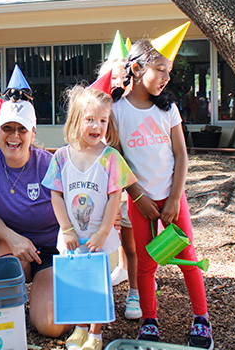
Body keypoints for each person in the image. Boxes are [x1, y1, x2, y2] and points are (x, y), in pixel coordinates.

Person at [112, 34, 213, 349]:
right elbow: (116, 157)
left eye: (169, 71)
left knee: (187, 256)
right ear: (139, 69)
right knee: (145, 262)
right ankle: (149, 319)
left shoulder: (168, 109)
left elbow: (181, 155)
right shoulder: (117, 109)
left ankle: (201, 318)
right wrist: (137, 196)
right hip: (139, 201)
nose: (167, 78)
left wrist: (173, 200)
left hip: (172, 198)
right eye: (161, 70)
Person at [0, 99, 70, 338]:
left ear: (32, 133)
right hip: (11, 248)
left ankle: (53, 293)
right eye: (7, 128)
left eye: (22, 129)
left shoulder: (49, 164)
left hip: (50, 253)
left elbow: (80, 199)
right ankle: (10, 298)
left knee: (50, 326)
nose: (14, 136)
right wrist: (14, 240)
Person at [43, 85, 137, 350]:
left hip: (99, 239)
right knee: (76, 285)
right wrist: (67, 228)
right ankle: (80, 328)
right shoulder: (61, 157)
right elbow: (56, 195)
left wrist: (103, 233)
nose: (97, 126)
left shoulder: (110, 158)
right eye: (90, 119)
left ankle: (95, 334)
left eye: (103, 120)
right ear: (75, 120)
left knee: (98, 286)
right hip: (72, 238)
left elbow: (114, 199)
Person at [98, 57, 142, 320]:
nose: (116, 83)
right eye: (110, 78)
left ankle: (137, 288)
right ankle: (105, 291)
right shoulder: (100, 113)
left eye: (120, 78)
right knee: (106, 240)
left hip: (128, 188)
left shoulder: (130, 110)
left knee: (132, 243)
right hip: (104, 189)